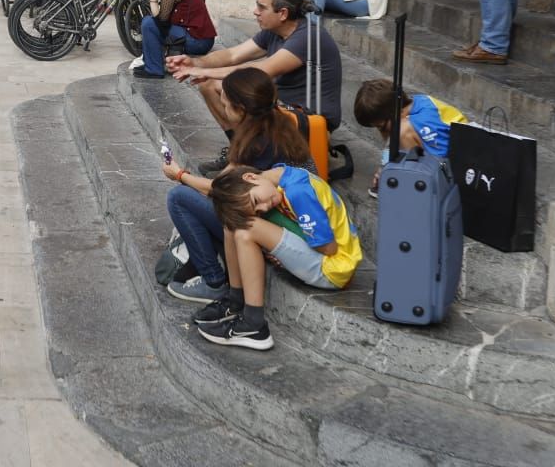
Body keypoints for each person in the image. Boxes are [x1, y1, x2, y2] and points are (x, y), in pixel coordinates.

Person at [162, 68, 314, 303]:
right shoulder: (272, 121)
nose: (223, 109)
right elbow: (227, 177)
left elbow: (220, 189)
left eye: (226, 105)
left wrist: (180, 175)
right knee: (196, 195)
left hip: (277, 227)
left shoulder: (260, 143)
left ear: (241, 110)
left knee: (179, 198)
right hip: (279, 220)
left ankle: (213, 281)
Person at [168, 0, 342, 174]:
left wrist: (202, 71)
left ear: (282, 13)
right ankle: (240, 152)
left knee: (238, 91)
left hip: (309, 121)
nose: (255, 11)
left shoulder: (308, 37)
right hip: (283, 111)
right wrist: (195, 63)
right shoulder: (274, 31)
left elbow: (260, 71)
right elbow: (233, 54)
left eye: (262, 7)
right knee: (208, 85)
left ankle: (247, 159)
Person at [200, 155, 362, 351]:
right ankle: (235, 300)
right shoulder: (279, 175)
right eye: (258, 209)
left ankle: (253, 326)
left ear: (251, 178)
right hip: (323, 255)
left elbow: (329, 248)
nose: (264, 207)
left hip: (334, 267)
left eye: (256, 201)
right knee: (232, 223)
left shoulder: (298, 191)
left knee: (246, 230)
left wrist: (278, 243)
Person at [354, 79, 468, 196]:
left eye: (381, 127)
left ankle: (411, 186)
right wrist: (384, 170)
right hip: (446, 159)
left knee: (402, 132)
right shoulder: (413, 103)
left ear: (394, 112)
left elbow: (441, 160)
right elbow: (390, 143)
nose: (381, 132)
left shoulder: (421, 122)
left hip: (458, 171)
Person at [131, 0, 217, 79]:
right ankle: (152, 65)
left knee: (148, 23)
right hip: (201, 40)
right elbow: (159, 19)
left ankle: (154, 69)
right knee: (149, 22)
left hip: (197, 41)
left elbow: (160, 22)